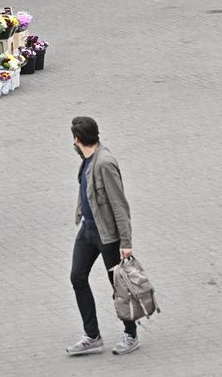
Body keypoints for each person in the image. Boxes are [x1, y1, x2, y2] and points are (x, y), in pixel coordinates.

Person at [67, 116, 139, 357]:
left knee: (119, 286)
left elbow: (119, 205)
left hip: (108, 235)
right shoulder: (87, 159)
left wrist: (126, 243)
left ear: (77, 139)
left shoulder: (105, 163)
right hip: (88, 230)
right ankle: (92, 335)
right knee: (77, 276)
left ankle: (131, 334)